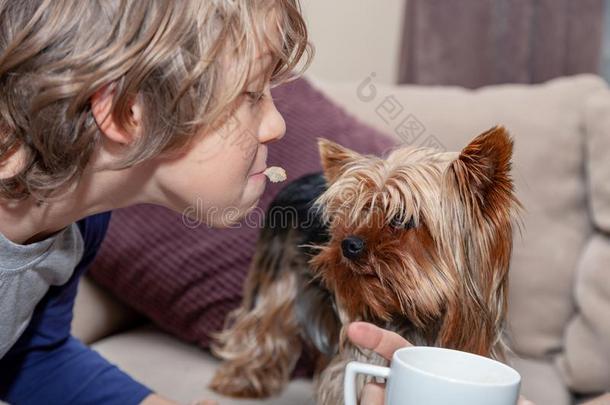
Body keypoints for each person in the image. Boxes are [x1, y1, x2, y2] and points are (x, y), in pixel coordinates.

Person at [0, 1, 309, 404]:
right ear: (127, 111)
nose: (276, 125)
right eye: (251, 95)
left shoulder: (79, 221)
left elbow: (33, 356)